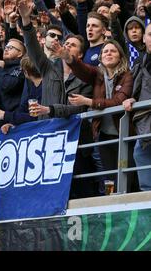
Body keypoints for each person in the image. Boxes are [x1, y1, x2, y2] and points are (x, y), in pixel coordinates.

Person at [63, 39, 133, 194]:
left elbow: (118, 102)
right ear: (100, 57)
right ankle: (112, 210)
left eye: (113, 51)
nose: (108, 53)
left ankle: (129, 211)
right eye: (105, 51)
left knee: (127, 175)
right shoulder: (98, 74)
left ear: (120, 56)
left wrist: (88, 101)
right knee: (108, 176)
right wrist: (68, 58)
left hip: (125, 134)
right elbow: (83, 69)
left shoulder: (127, 75)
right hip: (103, 134)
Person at [123, 23, 151, 192]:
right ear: (144, 38)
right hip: (145, 123)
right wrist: (132, 98)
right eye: (150, 34)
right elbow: (138, 88)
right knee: (140, 155)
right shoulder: (140, 62)